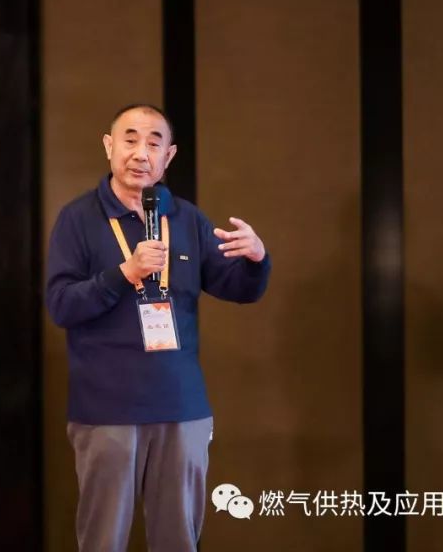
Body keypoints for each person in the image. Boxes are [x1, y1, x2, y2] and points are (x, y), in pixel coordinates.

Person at [45, 103, 271, 552]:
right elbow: (61, 305)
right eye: (129, 139)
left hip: (181, 406)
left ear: (169, 156)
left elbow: (238, 288)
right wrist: (123, 274)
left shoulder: (187, 218)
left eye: (154, 143)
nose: (140, 153)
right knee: (103, 539)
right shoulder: (78, 218)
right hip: (106, 409)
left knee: (179, 538)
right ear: (109, 146)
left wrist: (256, 259)